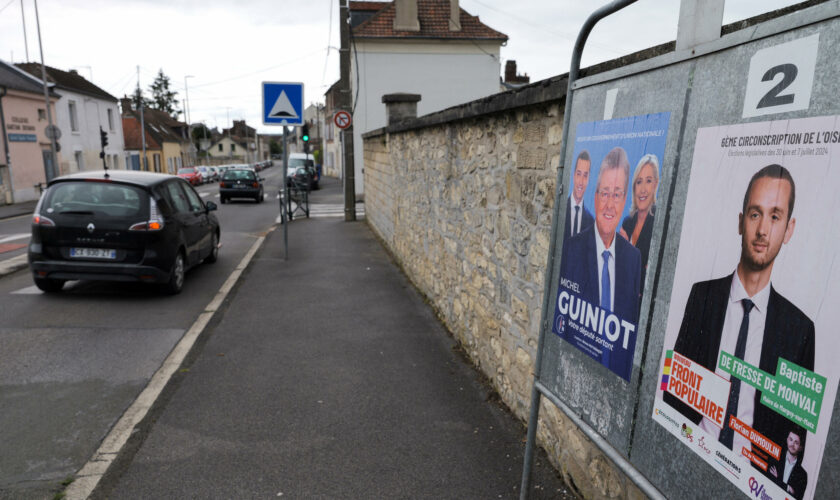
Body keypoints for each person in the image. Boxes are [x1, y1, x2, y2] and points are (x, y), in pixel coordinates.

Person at [663, 164, 815, 474]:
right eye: (755, 214)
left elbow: (794, 436)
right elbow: (674, 391)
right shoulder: (702, 297)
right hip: (691, 456)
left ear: (789, 229)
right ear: (740, 221)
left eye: (775, 216)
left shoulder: (800, 330)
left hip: (751, 480)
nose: (763, 231)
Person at [559, 146, 642, 379]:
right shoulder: (572, 249)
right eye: (604, 193)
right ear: (595, 196)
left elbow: (630, 328)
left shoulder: (633, 259)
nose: (609, 205)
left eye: (616, 195)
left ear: (625, 199)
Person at [619, 154, 659, 287]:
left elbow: (651, 276)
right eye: (639, 181)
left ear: (655, 184)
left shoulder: (658, 224)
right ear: (634, 186)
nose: (642, 190)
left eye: (648, 181)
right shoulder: (627, 222)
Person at [564, 151, 595, 241]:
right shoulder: (561, 210)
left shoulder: (590, 221)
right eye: (578, 174)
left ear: (588, 179)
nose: (581, 182)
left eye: (585, 176)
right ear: (574, 175)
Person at [769, 427, 808, 499]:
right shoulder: (775, 459)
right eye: (791, 440)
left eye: (796, 442)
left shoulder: (803, 475)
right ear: (787, 440)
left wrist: (778, 480)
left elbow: (797, 497)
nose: (792, 444)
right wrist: (789, 488)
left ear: (800, 447)